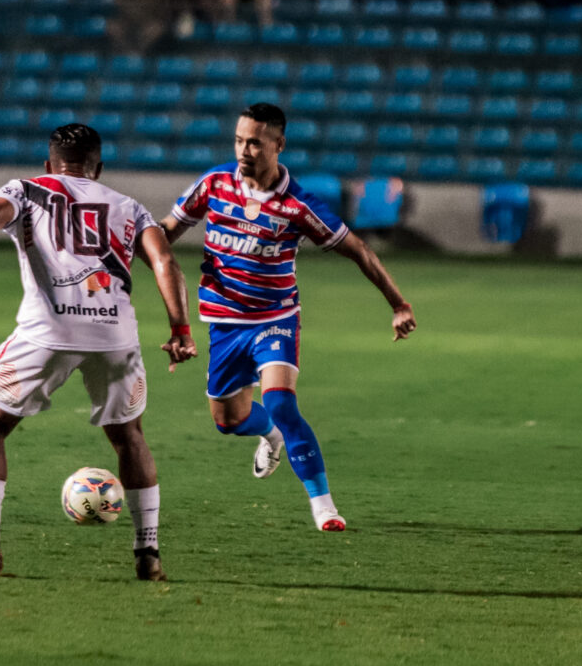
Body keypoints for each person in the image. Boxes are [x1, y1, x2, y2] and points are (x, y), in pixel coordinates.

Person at [0, 124, 197, 581]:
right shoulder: (129, 207)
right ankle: (148, 555)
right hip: (115, 339)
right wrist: (180, 328)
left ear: (49, 164)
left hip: (46, 333)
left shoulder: (29, 189)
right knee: (129, 436)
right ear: (99, 167)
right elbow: (165, 261)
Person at [159, 103, 416, 532]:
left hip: (274, 319)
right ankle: (271, 435)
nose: (245, 149)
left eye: (255, 142)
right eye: (240, 140)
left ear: (279, 145)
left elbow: (358, 250)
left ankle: (324, 507)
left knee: (281, 402)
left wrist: (398, 304)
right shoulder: (215, 183)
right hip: (223, 324)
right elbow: (167, 230)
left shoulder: (297, 205)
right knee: (228, 421)